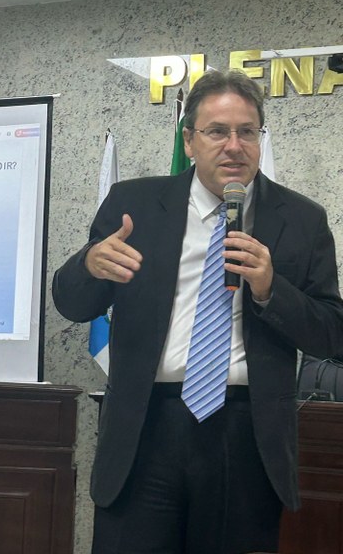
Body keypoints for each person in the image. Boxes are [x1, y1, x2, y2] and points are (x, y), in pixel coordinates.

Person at [52, 69, 343, 554]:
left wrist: (271, 289)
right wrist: (89, 266)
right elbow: (71, 302)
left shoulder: (301, 219)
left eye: (247, 132)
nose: (234, 146)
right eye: (217, 131)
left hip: (246, 434)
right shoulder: (135, 205)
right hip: (145, 428)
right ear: (189, 140)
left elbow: (332, 333)